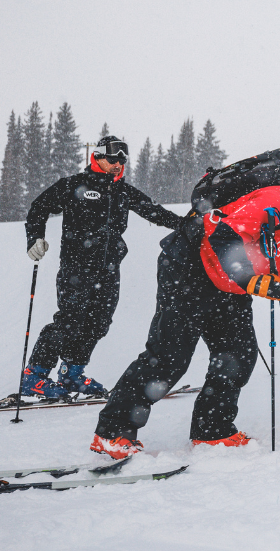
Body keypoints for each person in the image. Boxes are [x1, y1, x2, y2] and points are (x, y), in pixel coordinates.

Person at [90, 172, 280, 458]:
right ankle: (111, 432)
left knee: (238, 355)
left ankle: (212, 431)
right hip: (190, 268)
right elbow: (222, 232)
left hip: (231, 284)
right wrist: (250, 278)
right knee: (169, 357)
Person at [20, 136, 183, 400]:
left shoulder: (123, 191)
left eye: (122, 160)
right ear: (96, 157)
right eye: (112, 159)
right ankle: (34, 377)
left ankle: (72, 372)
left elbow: (157, 212)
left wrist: (192, 224)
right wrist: (34, 237)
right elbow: (39, 207)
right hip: (76, 267)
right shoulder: (74, 185)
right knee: (70, 321)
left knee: (98, 322)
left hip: (108, 269)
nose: (118, 164)